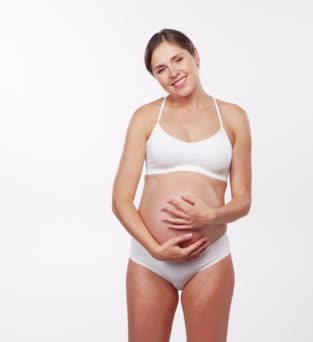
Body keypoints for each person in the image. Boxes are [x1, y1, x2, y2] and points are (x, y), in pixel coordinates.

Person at [111, 28, 252, 342]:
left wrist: (210, 216)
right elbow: (120, 199)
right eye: (161, 69)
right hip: (150, 261)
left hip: (209, 261)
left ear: (195, 55)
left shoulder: (233, 118)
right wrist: (156, 249)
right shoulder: (146, 118)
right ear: (155, 77)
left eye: (178, 59)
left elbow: (243, 200)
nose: (173, 72)